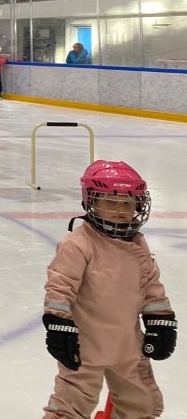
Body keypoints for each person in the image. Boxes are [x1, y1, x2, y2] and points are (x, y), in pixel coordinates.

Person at [41, 160, 175, 419]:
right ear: (91, 202)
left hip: (128, 345)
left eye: (127, 202)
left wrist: (162, 321)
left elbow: (150, 286)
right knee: (70, 405)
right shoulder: (78, 244)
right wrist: (59, 326)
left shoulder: (137, 245)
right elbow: (60, 287)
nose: (120, 210)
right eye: (110, 202)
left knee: (141, 404)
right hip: (85, 345)